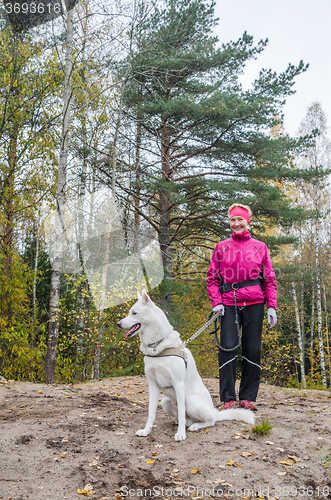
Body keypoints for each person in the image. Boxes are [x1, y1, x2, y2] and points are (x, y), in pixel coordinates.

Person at [206, 203, 277, 411]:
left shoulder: (260, 247)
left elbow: (269, 279)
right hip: (228, 303)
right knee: (228, 347)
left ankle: (247, 397)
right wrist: (217, 302)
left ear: (248, 221)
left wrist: (272, 306)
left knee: (252, 349)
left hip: (255, 302)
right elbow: (212, 278)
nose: (236, 223)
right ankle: (227, 398)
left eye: (240, 219)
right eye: (232, 220)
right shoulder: (221, 247)